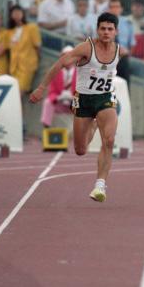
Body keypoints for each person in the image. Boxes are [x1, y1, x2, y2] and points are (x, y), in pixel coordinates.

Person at [30, 13, 122, 203]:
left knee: (110, 140)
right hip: (84, 100)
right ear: (97, 30)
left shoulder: (118, 50)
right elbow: (61, 63)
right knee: (80, 149)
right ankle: (94, 126)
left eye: (110, 29)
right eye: (103, 28)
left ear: (116, 31)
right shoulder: (86, 47)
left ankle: (100, 185)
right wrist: (41, 88)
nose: (106, 32)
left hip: (105, 98)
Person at [40, 45, 77, 128]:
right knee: (47, 103)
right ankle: (46, 129)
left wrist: (73, 97)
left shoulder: (80, 73)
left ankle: (81, 134)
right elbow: (52, 91)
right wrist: (58, 97)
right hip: (60, 102)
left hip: (75, 104)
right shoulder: (56, 72)